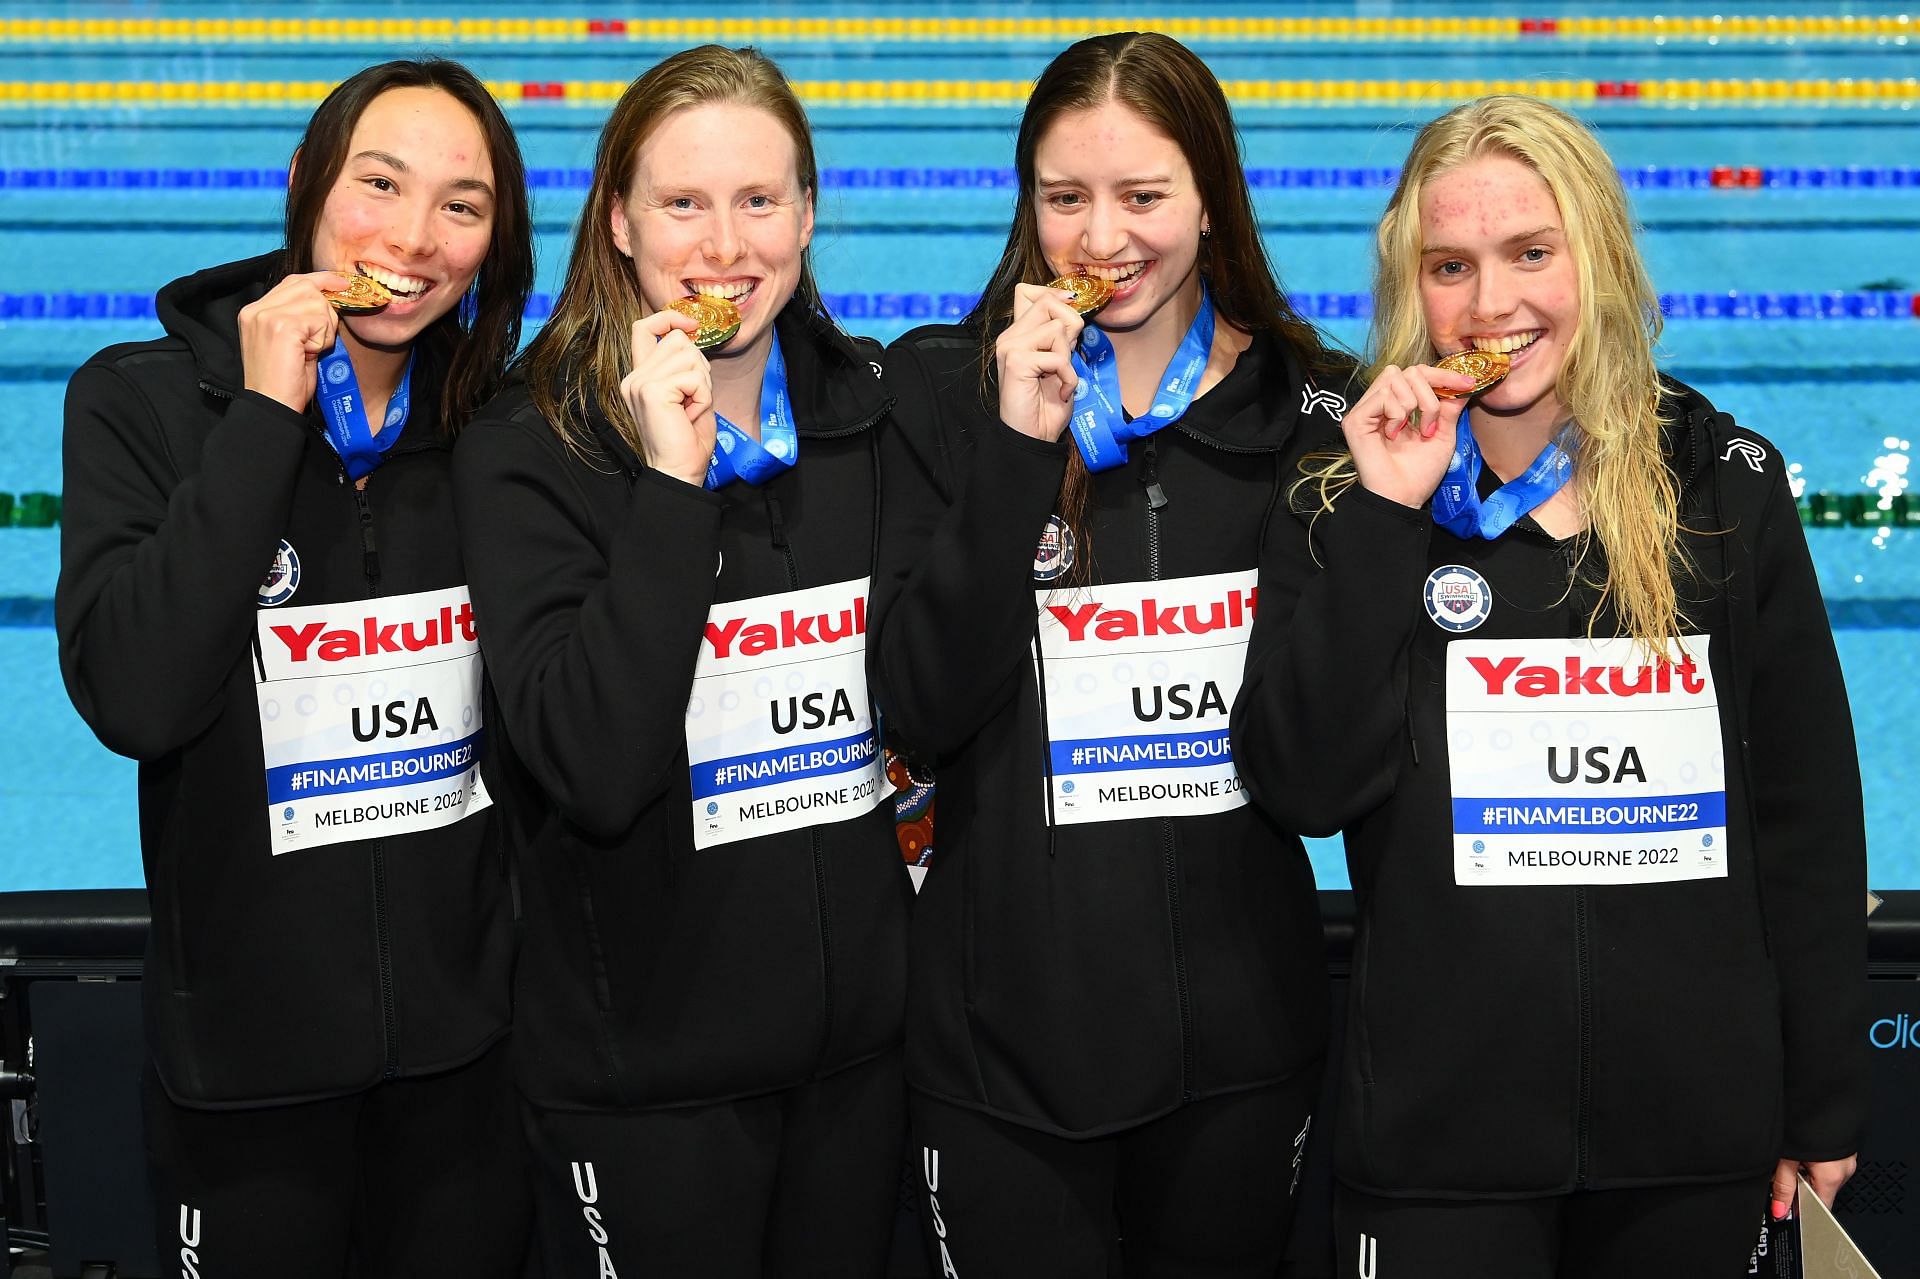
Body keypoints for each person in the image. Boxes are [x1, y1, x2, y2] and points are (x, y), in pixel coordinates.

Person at [1231, 94, 1867, 1277]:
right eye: (1451, 266)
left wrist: (1820, 1091)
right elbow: (1298, 782)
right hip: (1438, 1141)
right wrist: (1384, 517)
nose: (1492, 305)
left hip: (1690, 1136)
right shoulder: (1344, 490)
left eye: (1532, 253)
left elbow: (1806, 810)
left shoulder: (1720, 488)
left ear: (1600, 255)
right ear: (1410, 286)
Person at [869, 31, 1354, 1278]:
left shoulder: (1314, 415)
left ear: (1212, 198)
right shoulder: (937, 389)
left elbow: (1333, 754)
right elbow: (920, 706)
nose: (1101, 238)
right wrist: (1018, 450)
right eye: (1065, 197)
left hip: (1243, 1047)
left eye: (1143, 196)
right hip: (1000, 1047)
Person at [56, 59, 534, 1275]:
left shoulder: (496, 431)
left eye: (462, 206)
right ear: (306, 186)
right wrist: (265, 418)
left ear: (493, 241)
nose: (415, 238)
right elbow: (137, 694)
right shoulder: (145, 404)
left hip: (466, 1072)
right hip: (247, 1076)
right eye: (381, 184)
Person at [452, 45, 911, 1277]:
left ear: (808, 215)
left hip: (861, 1068)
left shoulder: (870, 417)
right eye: (683, 203)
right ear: (617, 222)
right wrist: (669, 483)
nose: (724, 246)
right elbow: (593, 764)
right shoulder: (528, 446)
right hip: (643, 1078)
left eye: (759, 201)